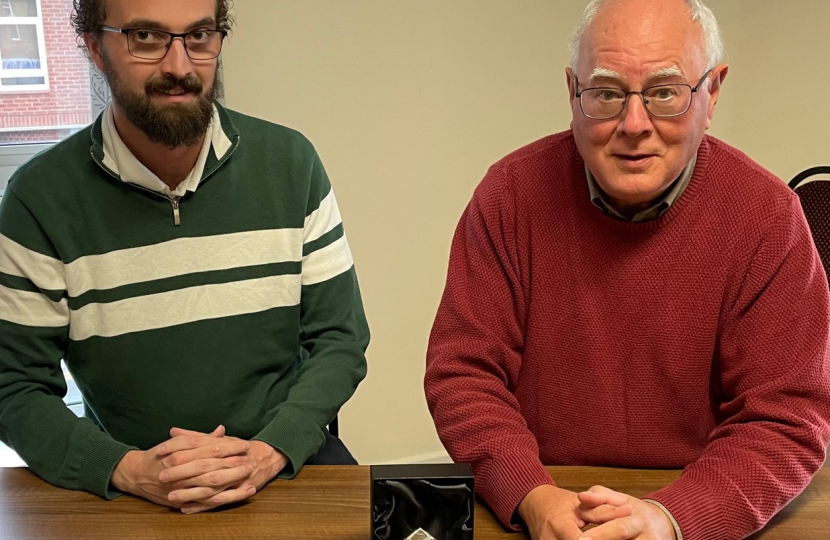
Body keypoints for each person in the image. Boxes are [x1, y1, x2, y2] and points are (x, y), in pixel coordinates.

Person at [424, 0, 830, 539]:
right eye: (607, 93)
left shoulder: (768, 217)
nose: (634, 124)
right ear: (572, 92)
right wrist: (533, 495)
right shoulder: (509, 197)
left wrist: (671, 518)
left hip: (701, 500)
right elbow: (463, 374)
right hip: (543, 500)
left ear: (711, 94)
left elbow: (786, 419)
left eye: (665, 92)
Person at [0, 0, 369, 515]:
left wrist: (268, 451)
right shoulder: (38, 199)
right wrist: (125, 468)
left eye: (198, 36)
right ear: (94, 47)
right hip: (135, 483)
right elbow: (14, 387)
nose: (179, 66)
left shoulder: (290, 164)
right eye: (146, 38)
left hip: (284, 462)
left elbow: (341, 340)